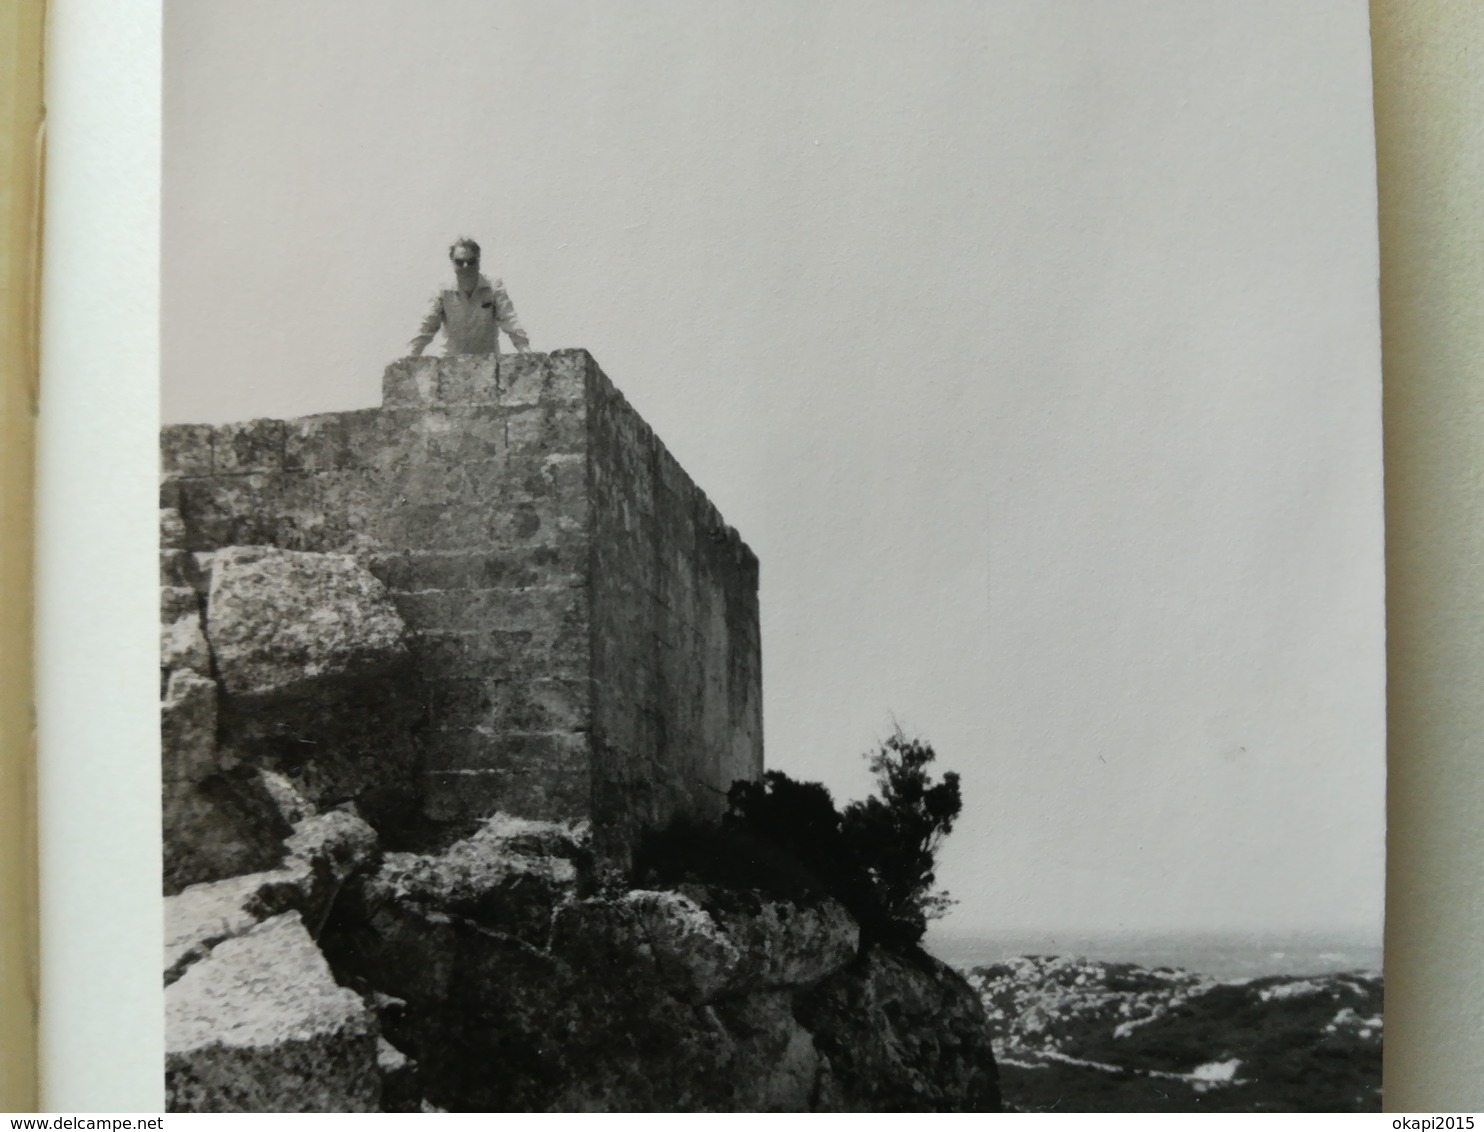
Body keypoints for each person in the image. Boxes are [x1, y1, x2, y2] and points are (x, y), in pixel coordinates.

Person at [408, 237, 531, 358]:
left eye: (471, 261)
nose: (466, 266)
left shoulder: (493, 286)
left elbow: (509, 320)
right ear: (452, 262)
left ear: (479, 261)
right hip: (451, 364)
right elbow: (426, 326)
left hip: (486, 363)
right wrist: (409, 358)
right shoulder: (442, 290)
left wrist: (527, 354)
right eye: (459, 262)